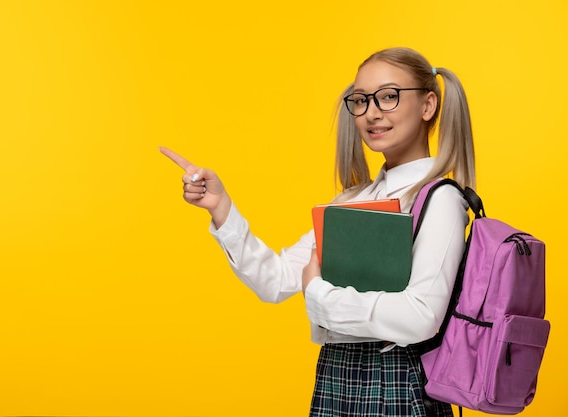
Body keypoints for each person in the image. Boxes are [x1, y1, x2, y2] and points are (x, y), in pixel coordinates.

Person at [160, 47, 475, 417]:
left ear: (427, 106)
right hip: (335, 374)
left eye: (389, 96)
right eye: (361, 100)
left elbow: (420, 317)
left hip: (398, 382)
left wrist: (320, 296)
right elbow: (274, 281)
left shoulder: (440, 199)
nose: (372, 113)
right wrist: (221, 208)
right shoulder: (350, 200)